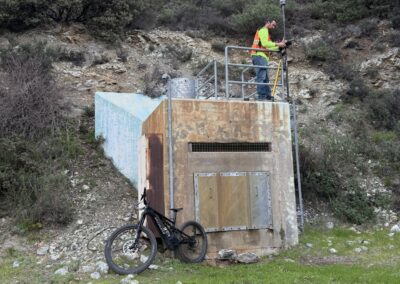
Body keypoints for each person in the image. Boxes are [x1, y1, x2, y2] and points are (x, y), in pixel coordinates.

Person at [251, 20, 286, 101]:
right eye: (273, 25)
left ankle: (267, 96)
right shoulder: (263, 30)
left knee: (265, 78)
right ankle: (262, 97)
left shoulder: (265, 33)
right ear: (267, 22)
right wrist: (278, 44)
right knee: (261, 77)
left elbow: (269, 47)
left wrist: (280, 46)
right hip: (259, 55)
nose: (273, 27)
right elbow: (265, 44)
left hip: (262, 56)